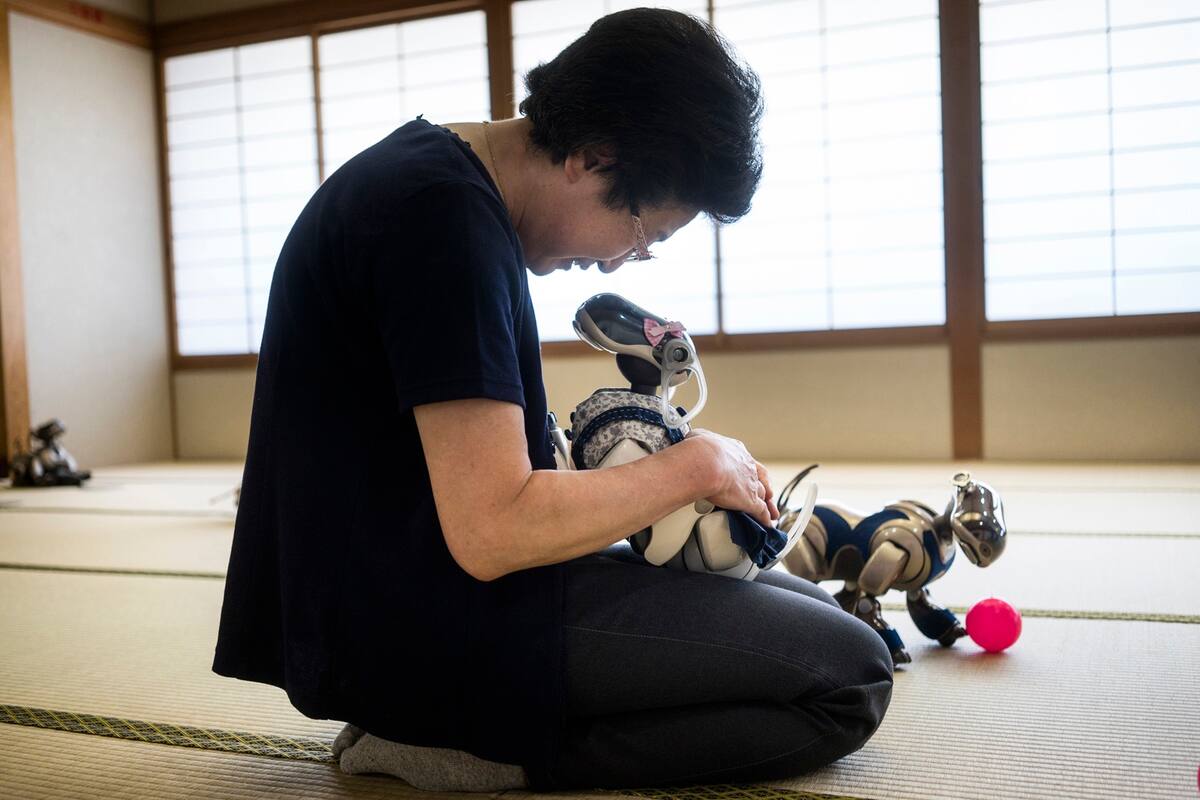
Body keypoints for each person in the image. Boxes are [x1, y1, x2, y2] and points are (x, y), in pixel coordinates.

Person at [212, 7, 893, 793]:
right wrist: (696, 466)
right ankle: (478, 746)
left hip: (404, 597)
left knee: (813, 615)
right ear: (593, 156)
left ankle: (452, 721)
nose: (622, 261)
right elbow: (494, 531)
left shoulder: (438, 185)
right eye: (642, 233)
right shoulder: (442, 226)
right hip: (424, 627)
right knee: (850, 675)